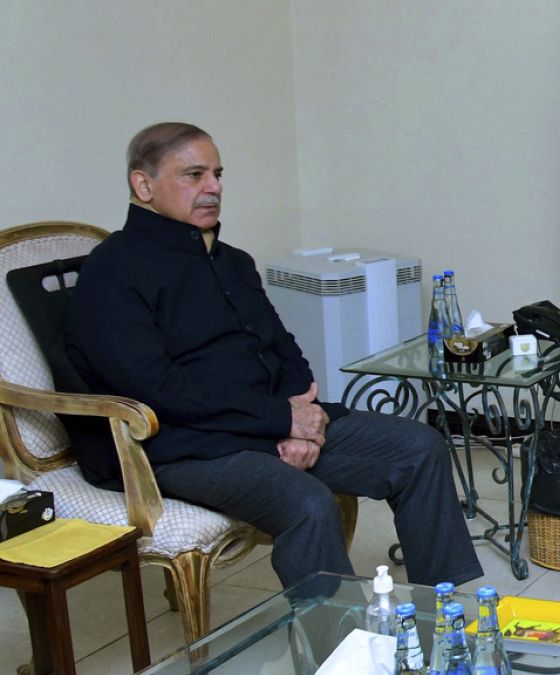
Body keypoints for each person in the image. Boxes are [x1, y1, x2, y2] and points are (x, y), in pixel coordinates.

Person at [66, 122, 483, 590]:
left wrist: (301, 416)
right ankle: (338, 653)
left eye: (218, 174)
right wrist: (279, 422)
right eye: (194, 175)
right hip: (184, 445)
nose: (214, 188)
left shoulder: (232, 261)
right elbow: (158, 389)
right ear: (143, 185)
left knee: (418, 448)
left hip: (263, 421)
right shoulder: (113, 272)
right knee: (308, 503)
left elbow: (284, 349)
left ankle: (444, 611)